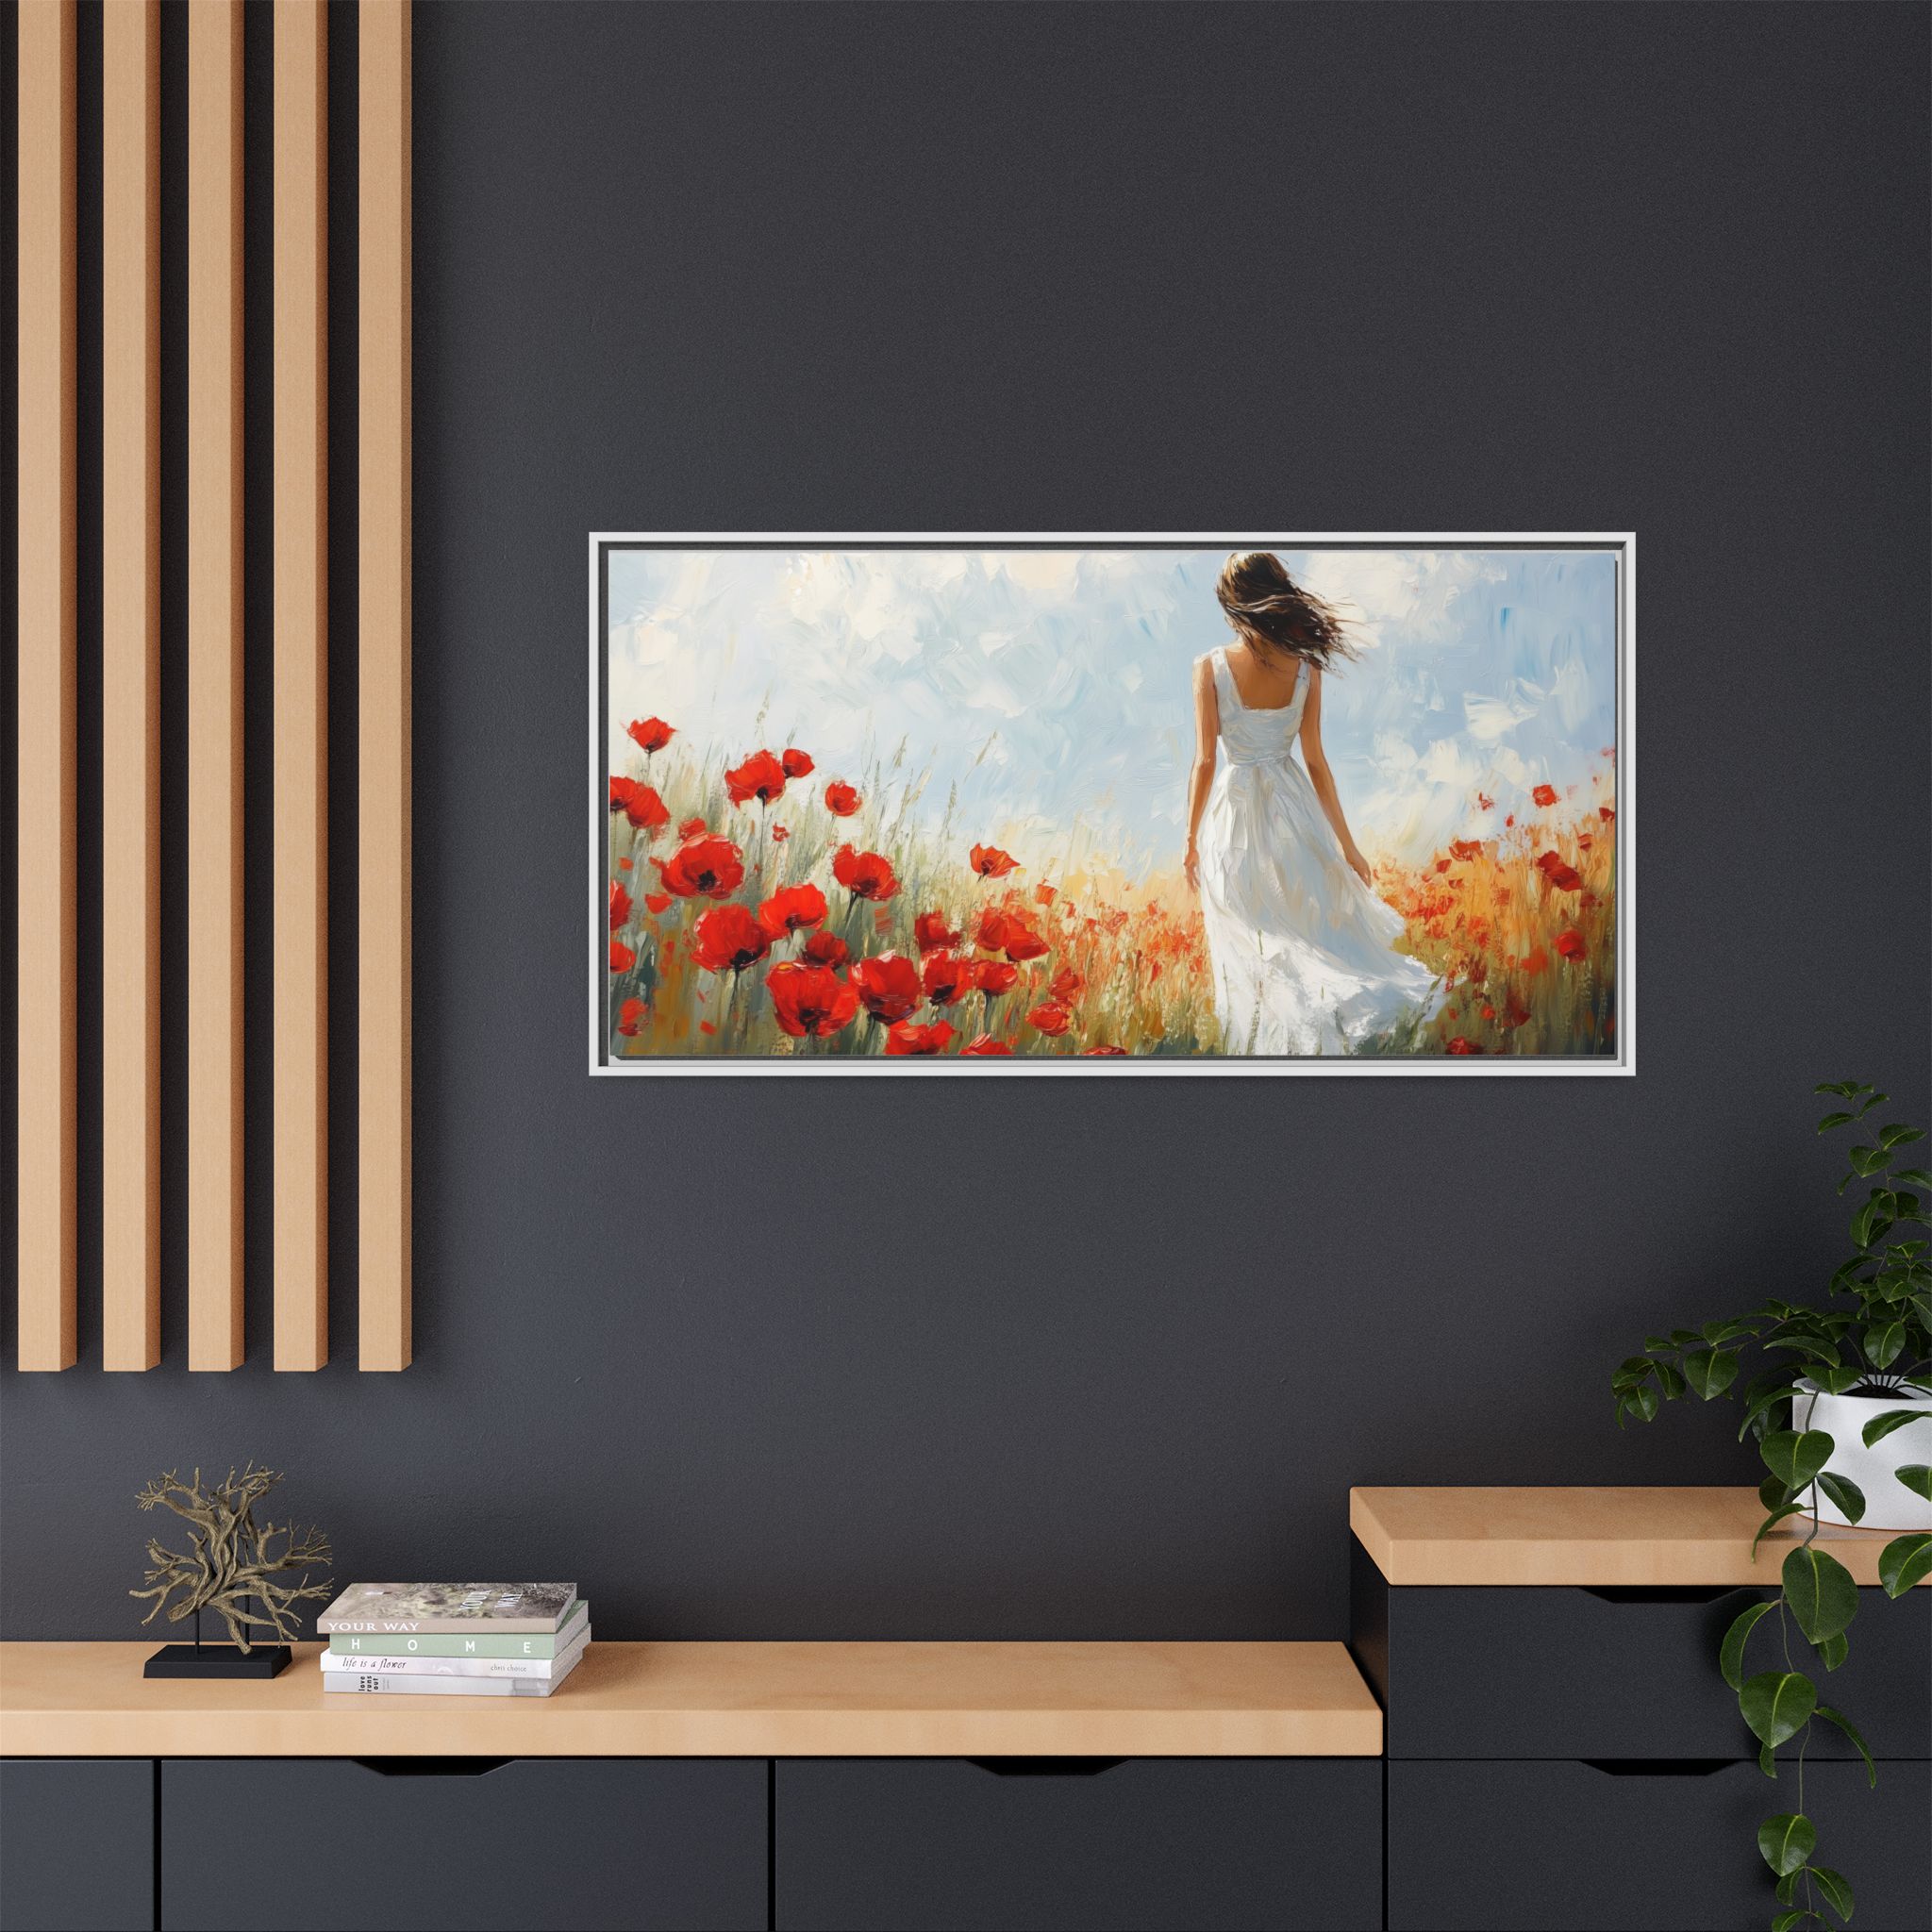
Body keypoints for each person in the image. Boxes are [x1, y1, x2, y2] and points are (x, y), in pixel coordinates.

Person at [1184, 551, 1443, 1055]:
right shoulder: (1306, 668)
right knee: (1299, 931)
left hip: (1233, 817)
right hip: (1292, 810)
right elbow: (1317, 764)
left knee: (1252, 938)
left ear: (1236, 605)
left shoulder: (1209, 668)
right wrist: (1348, 848)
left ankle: (1263, 1051)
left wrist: (1190, 838)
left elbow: (1205, 762)